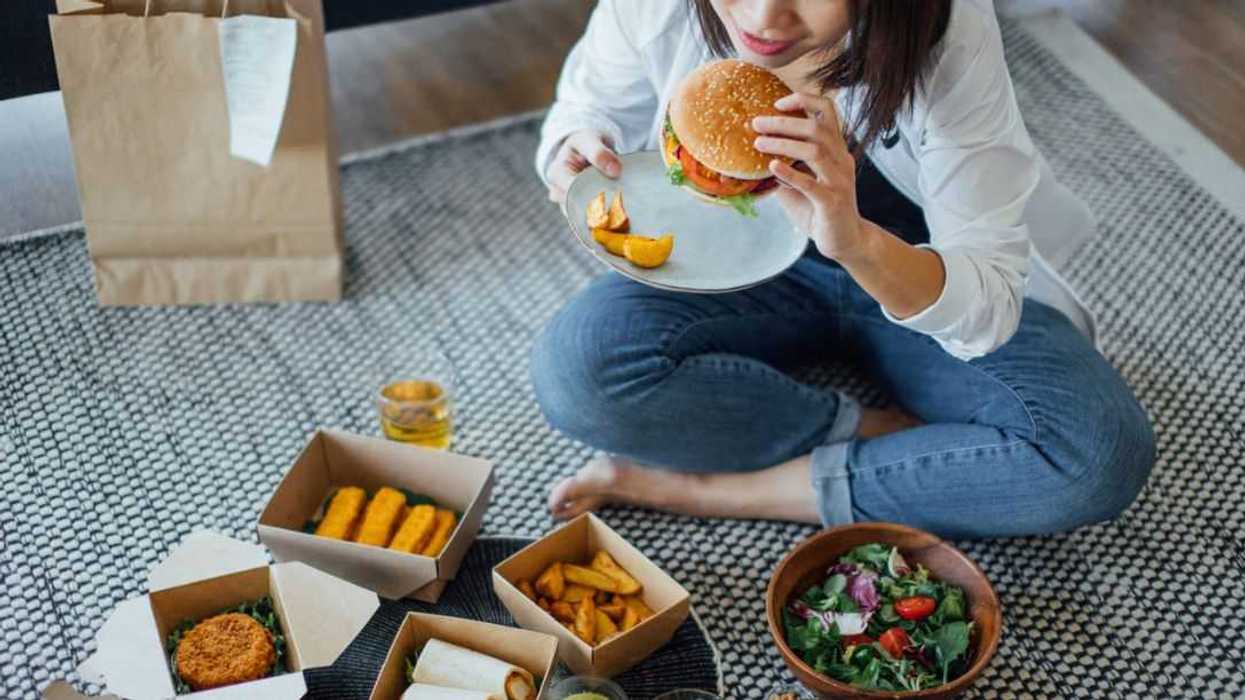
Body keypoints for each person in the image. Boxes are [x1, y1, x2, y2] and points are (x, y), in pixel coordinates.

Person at [529, 0, 1155, 539]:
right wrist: (576, 150)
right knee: (578, 369)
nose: (763, 16)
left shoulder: (949, 33)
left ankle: (703, 489)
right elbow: (588, 105)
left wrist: (855, 241)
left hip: (911, 265)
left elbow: (987, 299)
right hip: (744, 268)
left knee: (1096, 454)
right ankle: (867, 431)